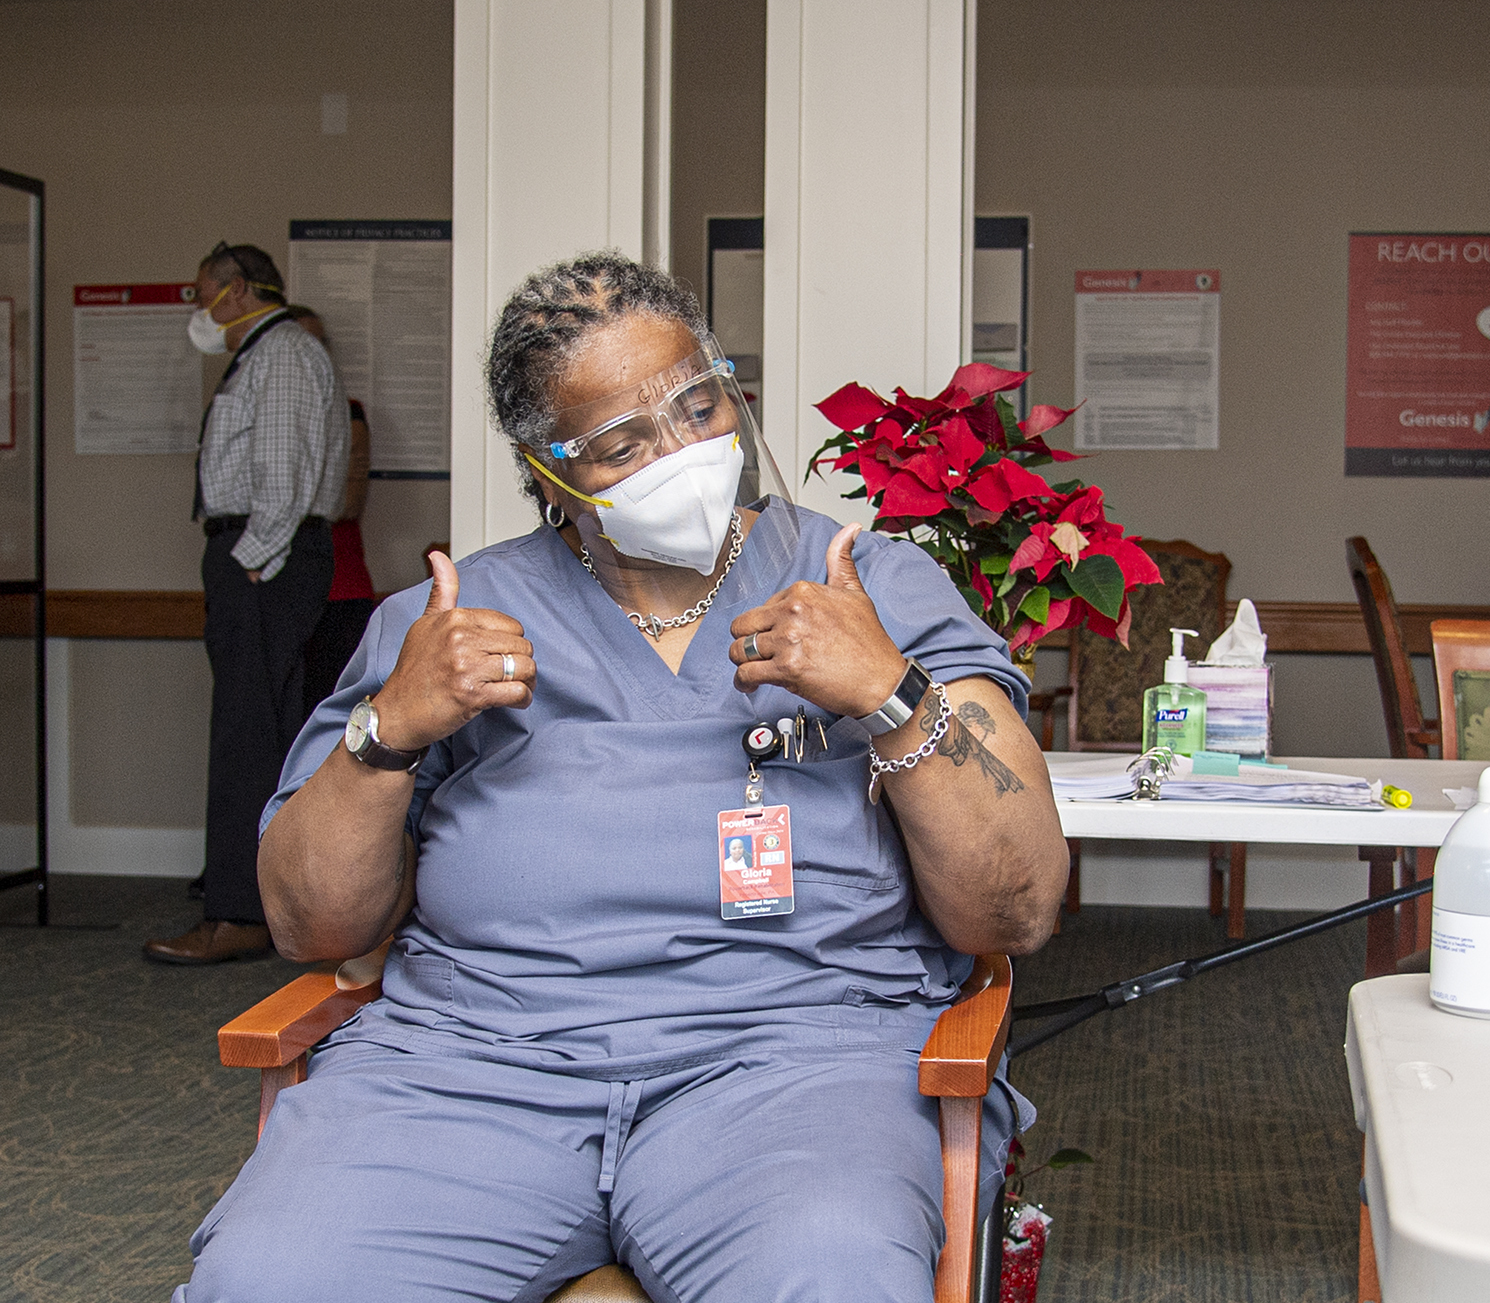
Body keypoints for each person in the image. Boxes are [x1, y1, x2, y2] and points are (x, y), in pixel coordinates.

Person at [178, 253, 1067, 1303]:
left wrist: (888, 690)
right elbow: (309, 926)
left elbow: (1016, 906)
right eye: (619, 444)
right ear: (544, 468)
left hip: (793, 1070)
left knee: (828, 1274)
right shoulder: (450, 621)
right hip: (471, 1072)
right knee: (275, 1279)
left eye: (698, 405)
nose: (682, 453)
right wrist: (392, 728)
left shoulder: (870, 588)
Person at [147, 244, 348, 967]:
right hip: (263, 558)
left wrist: (252, 559)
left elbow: (282, 473)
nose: (197, 306)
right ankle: (263, 905)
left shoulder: (283, 351)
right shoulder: (266, 353)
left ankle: (238, 915)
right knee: (262, 731)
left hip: (267, 560)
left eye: (201, 290)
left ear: (234, 291)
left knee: (247, 738)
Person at [285, 307, 379, 713]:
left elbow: (347, 504)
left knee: (335, 714)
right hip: (278, 585)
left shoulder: (347, 412)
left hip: (340, 586)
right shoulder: (265, 413)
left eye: (318, 343)